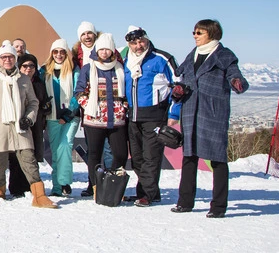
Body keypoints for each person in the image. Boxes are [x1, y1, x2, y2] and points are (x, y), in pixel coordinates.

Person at [171, 19, 248, 218]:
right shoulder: (192, 55)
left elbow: (234, 75)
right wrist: (177, 92)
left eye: (199, 32)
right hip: (190, 111)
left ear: (211, 34)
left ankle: (218, 207)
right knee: (189, 157)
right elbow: (181, 79)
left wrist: (237, 82)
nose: (195, 36)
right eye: (194, 32)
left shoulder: (224, 55)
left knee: (218, 160)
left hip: (212, 113)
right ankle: (185, 202)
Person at [0, 41, 57, 207]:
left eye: (10, 57)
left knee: (29, 160)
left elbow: (33, 102)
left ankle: (39, 195)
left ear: (15, 59)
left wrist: (29, 118)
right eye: (4, 57)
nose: (7, 60)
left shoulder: (23, 79)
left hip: (20, 127)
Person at [122, 26, 180, 207]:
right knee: (137, 158)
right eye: (134, 43)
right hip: (133, 117)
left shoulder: (162, 59)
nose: (138, 46)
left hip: (155, 115)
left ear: (147, 39)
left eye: (141, 41)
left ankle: (147, 194)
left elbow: (179, 86)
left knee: (151, 156)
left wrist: (174, 112)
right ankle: (150, 192)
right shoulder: (127, 61)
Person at [75, 33, 129, 200]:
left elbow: (127, 90)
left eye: (107, 49)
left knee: (120, 153)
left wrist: (124, 106)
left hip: (117, 119)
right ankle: (96, 186)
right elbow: (79, 91)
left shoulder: (120, 68)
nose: (104, 53)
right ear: (96, 50)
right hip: (94, 119)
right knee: (94, 154)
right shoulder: (88, 68)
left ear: (112, 50)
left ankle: (113, 183)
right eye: (101, 49)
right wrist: (89, 106)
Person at [40, 39, 80, 197]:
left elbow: (78, 92)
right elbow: (40, 91)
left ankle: (64, 182)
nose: (59, 55)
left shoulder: (73, 69)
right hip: (52, 117)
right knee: (56, 152)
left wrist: (69, 113)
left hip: (70, 116)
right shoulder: (45, 70)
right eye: (55, 52)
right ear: (51, 53)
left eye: (62, 52)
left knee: (65, 145)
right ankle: (57, 187)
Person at [8, 53, 51, 197]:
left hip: (35, 123)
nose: (28, 68)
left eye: (32, 66)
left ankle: (30, 186)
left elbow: (42, 102)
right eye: (25, 65)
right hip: (18, 122)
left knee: (32, 156)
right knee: (17, 156)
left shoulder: (39, 83)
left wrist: (46, 107)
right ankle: (16, 187)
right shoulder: (15, 80)